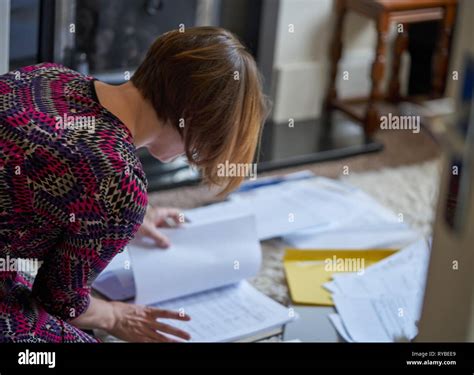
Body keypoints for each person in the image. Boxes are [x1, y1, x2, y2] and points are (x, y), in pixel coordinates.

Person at [0, 27, 268, 342]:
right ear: (194, 119)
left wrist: (114, 217)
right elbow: (59, 300)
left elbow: (44, 171)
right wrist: (115, 315)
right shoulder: (117, 179)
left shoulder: (48, 75)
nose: (192, 157)